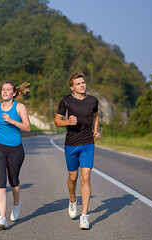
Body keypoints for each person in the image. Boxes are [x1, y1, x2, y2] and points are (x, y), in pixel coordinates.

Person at [54, 73, 100, 230]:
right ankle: (73, 200)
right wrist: (67, 122)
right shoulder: (66, 100)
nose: (82, 85)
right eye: (78, 83)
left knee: (85, 178)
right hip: (71, 144)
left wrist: (95, 130)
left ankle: (84, 215)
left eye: (83, 82)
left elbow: (95, 116)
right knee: (73, 177)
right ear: (72, 87)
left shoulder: (93, 100)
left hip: (88, 143)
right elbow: (56, 121)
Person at [0, 81, 31, 230]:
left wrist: (12, 121)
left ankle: (16, 205)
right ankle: (2, 217)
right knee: (0, 181)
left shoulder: (19, 107)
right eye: (3, 90)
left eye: (8, 90)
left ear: (14, 93)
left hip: (15, 149)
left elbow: (27, 127)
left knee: (14, 180)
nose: (4, 92)